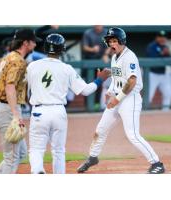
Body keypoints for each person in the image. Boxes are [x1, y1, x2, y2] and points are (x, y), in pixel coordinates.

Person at [77, 27, 165, 174]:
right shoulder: (114, 57)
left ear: (122, 41)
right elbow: (117, 78)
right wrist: (110, 92)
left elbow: (131, 82)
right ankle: (93, 157)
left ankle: (157, 163)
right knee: (100, 129)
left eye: (115, 41)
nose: (112, 44)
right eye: (110, 41)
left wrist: (116, 99)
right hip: (118, 97)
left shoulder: (130, 57)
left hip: (130, 99)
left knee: (133, 134)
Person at [27, 33, 111, 174]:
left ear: (46, 48)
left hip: (39, 111)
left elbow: (24, 88)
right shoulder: (67, 69)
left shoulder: (32, 66)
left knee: (36, 149)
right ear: (62, 49)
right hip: (59, 111)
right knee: (59, 151)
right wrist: (99, 80)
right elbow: (85, 91)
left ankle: (37, 171)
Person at [0, 28, 41, 173]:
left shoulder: (8, 57)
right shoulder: (18, 61)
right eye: (33, 41)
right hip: (8, 110)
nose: (35, 44)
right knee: (12, 157)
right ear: (25, 43)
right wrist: (16, 115)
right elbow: (10, 87)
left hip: (3, 108)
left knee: (20, 153)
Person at [82, 25, 110, 108]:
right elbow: (84, 47)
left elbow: (110, 46)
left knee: (100, 83)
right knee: (88, 84)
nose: (98, 25)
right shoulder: (88, 33)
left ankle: (97, 104)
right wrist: (92, 49)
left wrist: (106, 54)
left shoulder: (106, 32)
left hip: (101, 63)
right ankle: (87, 105)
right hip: (89, 62)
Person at [146, 31, 171, 110]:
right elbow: (152, 58)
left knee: (168, 94)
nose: (162, 39)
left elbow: (170, 59)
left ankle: (165, 112)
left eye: (164, 37)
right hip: (152, 74)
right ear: (157, 38)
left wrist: (168, 54)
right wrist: (162, 53)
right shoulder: (151, 46)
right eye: (160, 37)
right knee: (149, 95)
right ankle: (144, 112)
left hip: (164, 74)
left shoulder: (166, 47)